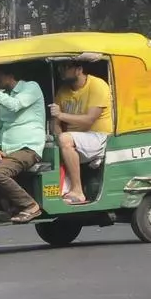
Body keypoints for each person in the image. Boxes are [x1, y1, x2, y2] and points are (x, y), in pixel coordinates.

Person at [0, 65, 46, 222]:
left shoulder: (31, 88)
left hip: (28, 148)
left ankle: (31, 206)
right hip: (8, 151)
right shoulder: (3, 96)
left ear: (10, 76)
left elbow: (14, 105)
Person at [50, 60, 113, 205]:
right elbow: (56, 123)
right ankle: (62, 191)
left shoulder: (97, 85)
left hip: (98, 136)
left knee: (65, 139)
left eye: (65, 66)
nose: (61, 70)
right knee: (54, 143)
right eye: (60, 67)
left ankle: (77, 191)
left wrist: (61, 116)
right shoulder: (63, 91)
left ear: (79, 69)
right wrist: (58, 134)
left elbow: (89, 120)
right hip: (75, 140)